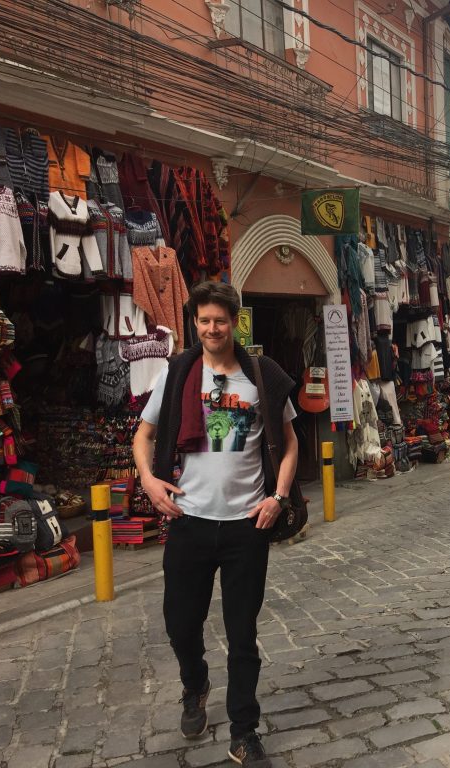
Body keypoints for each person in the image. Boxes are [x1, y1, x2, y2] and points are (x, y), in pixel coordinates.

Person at [133, 281, 298, 768]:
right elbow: (144, 435)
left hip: (247, 526)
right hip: (189, 521)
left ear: (234, 322)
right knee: (180, 624)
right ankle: (195, 683)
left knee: (242, 633)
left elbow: (290, 443)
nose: (211, 328)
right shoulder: (178, 373)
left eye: (220, 321)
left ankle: (244, 731)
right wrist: (149, 481)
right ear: (195, 323)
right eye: (204, 320)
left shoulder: (262, 376)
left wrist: (278, 497)